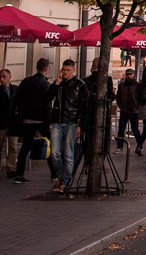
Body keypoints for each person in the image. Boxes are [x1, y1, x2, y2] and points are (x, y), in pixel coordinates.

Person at [45, 59, 89, 192]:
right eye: (63, 69)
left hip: (72, 121)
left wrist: (81, 125)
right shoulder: (58, 84)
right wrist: (56, 82)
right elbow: (48, 98)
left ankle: (65, 181)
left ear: (73, 70)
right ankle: (59, 177)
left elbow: (85, 106)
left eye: (68, 70)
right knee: (54, 152)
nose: (65, 72)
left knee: (68, 153)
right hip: (57, 121)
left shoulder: (80, 85)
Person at [11, 58, 52, 184]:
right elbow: (47, 103)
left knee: (25, 147)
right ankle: (55, 174)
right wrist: (49, 120)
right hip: (41, 120)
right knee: (50, 145)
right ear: (46, 69)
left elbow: (17, 99)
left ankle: (19, 174)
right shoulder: (45, 84)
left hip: (27, 119)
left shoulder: (25, 82)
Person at [114, 68, 139, 152]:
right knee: (121, 129)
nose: (129, 76)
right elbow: (118, 97)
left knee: (135, 129)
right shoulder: (122, 85)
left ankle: (139, 144)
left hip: (134, 110)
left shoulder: (137, 85)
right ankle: (119, 146)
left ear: (133, 75)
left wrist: (137, 106)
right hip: (124, 110)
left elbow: (139, 97)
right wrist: (121, 106)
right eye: (127, 74)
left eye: (130, 74)